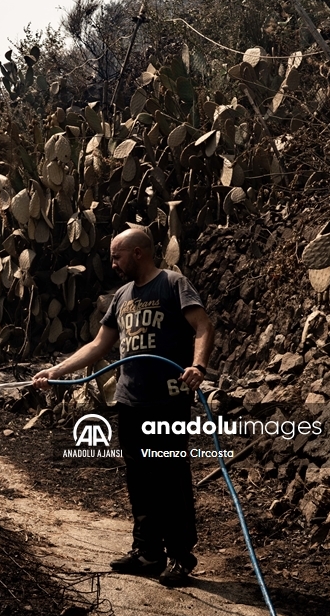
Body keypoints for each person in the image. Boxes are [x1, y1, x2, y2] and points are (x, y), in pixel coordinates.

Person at [32, 227, 214, 587]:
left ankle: (179, 556)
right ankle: (147, 552)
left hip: (167, 402)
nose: (112, 263)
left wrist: (198, 366)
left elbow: (203, 325)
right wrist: (57, 370)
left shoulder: (174, 284)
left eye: (117, 256)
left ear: (138, 253)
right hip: (130, 402)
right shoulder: (122, 296)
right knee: (140, 479)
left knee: (171, 478)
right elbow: (99, 345)